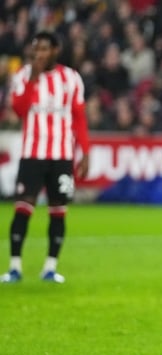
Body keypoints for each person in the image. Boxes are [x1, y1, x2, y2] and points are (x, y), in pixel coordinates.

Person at [1, 31, 90, 284]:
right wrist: (32, 79)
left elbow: (79, 118)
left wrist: (85, 151)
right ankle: (15, 267)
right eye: (35, 49)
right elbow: (18, 110)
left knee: (58, 210)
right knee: (22, 208)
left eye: (44, 49)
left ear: (55, 51)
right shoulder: (23, 76)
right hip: (32, 154)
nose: (38, 53)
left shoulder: (71, 78)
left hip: (62, 154)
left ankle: (50, 267)